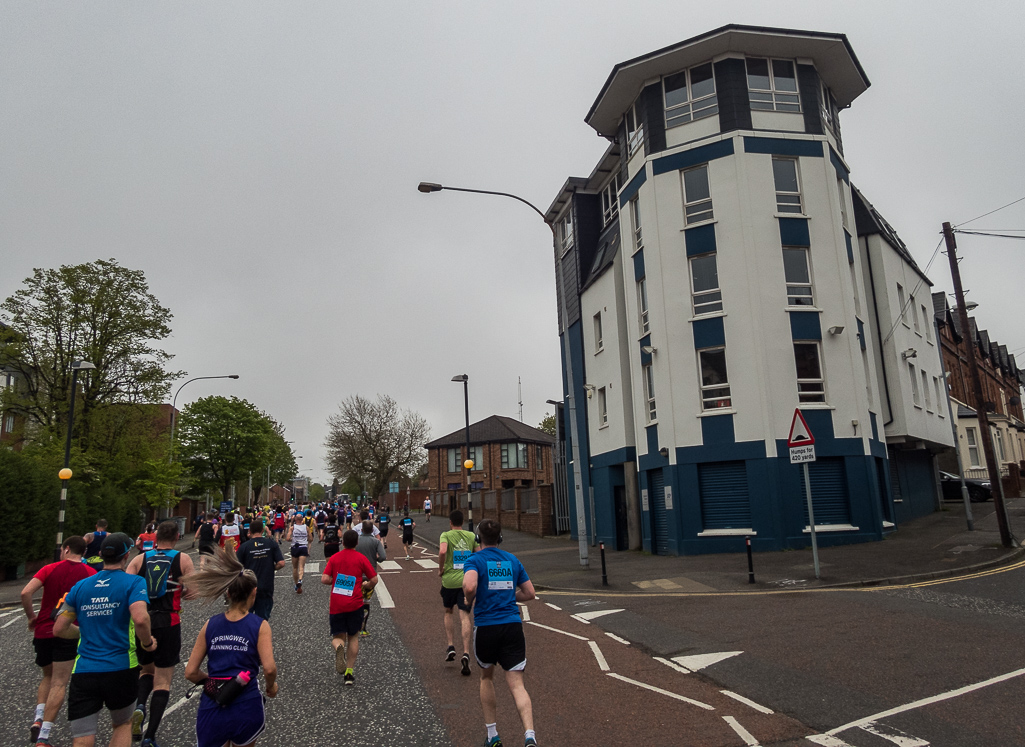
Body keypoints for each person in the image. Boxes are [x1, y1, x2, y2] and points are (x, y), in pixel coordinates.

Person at [53, 533, 155, 747]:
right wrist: (148, 643)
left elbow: (59, 628)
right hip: (121, 667)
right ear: (127, 555)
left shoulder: (81, 586)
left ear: (100, 554)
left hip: (84, 669)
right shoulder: (134, 582)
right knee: (122, 725)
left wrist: (83, 632)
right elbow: (141, 619)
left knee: (82, 736)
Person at [183, 546, 278, 747]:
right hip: (246, 703)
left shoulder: (210, 624)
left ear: (227, 592)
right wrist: (272, 686)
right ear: (254, 592)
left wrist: (213, 682)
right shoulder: (260, 626)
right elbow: (269, 668)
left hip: (214, 704)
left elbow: (191, 672)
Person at [463, 520, 537, 747]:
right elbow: (530, 593)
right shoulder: (512, 560)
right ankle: (529, 736)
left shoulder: (474, 560)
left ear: (478, 539)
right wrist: (508, 596)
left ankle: (493, 735)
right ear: (500, 538)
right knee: (517, 685)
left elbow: (469, 586)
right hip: (512, 627)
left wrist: (469, 599)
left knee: (486, 677)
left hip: (486, 627)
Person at [20, 536, 96, 746]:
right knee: (60, 682)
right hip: (67, 631)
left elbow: (26, 592)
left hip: (43, 631)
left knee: (47, 676)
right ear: (84, 552)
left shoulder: (50, 568)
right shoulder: (90, 574)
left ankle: (38, 717)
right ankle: (44, 735)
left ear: (66, 549)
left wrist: (31, 617)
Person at [126, 521, 195, 747]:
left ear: (155, 537)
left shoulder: (139, 560)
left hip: (143, 621)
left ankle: (139, 705)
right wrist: (182, 592)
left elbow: (127, 588)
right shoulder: (183, 559)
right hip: (169, 620)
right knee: (163, 680)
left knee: (145, 670)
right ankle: (150, 736)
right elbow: (192, 591)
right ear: (177, 536)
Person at [320, 530, 377, 685]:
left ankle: (339, 647)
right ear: (356, 543)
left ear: (342, 542)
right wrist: (367, 584)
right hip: (355, 604)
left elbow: (324, 579)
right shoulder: (361, 558)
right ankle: (349, 673)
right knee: (353, 636)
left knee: (338, 637)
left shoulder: (335, 558)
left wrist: (336, 580)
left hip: (337, 604)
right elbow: (374, 579)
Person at [438, 509, 478, 675]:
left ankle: (450, 645)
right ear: (462, 521)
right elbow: (479, 554)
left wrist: (441, 568)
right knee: (465, 616)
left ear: (450, 522)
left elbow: (442, 551)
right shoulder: (470, 536)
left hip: (449, 581)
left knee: (448, 611)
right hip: (465, 580)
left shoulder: (445, 535)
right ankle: (467, 653)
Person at [236, 519, 286, 621]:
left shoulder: (244, 547)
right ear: (263, 530)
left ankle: (248, 635)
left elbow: (236, 567)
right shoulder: (271, 544)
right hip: (266, 586)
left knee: (245, 617)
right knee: (262, 619)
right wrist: (272, 568)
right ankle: (261, 635)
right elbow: (281, 563)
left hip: (248, 586)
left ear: (250, 531)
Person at [355, 521, 386, 637]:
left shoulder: (356, 541)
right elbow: (383, 556)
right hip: (369, 575)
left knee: (355, 600)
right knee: (366, 602)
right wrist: (375, 559)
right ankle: (363, 629)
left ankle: (353, 626)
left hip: (356, 575)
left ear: (361, 530)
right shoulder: (376, 542)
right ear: (372, 531)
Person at [285, 513, 310, 594]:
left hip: (295, 547)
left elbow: (287, 538)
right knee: (301, 566)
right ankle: (300, 579)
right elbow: (311, 538)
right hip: (303, 547)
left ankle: (296, 584)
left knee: (295, 567)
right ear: (302, 520)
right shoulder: (306, 527)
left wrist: (293, 539)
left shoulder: (292, 528)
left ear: (295, 520)